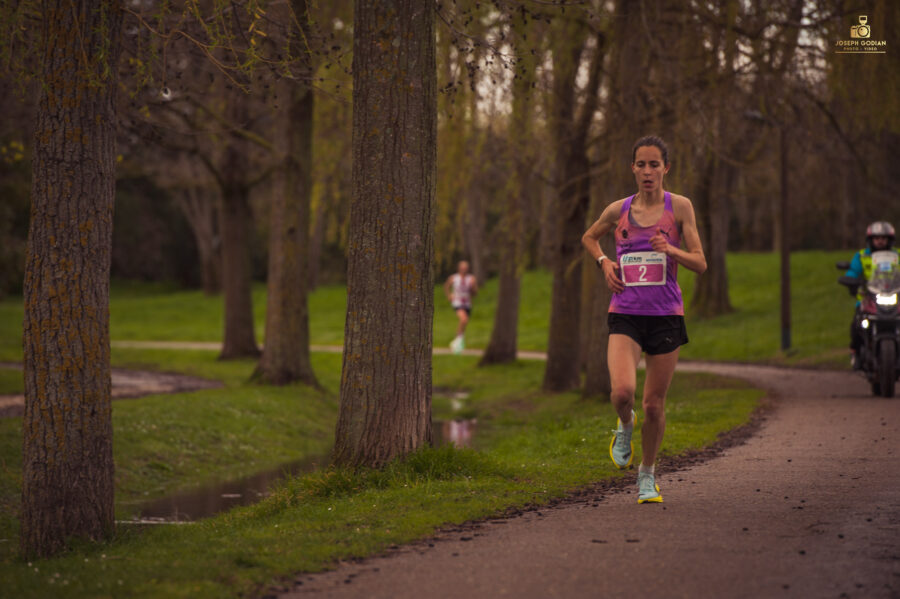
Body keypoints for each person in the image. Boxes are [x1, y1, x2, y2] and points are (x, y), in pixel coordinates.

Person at [581, 135, 707, 504]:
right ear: (633, 168)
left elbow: (700, 263)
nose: (648, 171)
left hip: (666, 315)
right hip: (626, 313)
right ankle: (624, 423)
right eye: (641, 164)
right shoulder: (618, 210)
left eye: (655, 164)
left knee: (654, 404)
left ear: (666, 168)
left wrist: (671, 249)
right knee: (622, 393)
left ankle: (647, 475)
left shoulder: (680, 207)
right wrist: (604, 262)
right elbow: (589, 237)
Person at [845, 221, 898, 369]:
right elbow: (852, 272)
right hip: (868, 299)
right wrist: (850, 280)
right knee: (857, 324)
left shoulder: (897, 256)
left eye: (883, 238)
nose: (880, 241)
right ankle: (855, 353)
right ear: (871, 240)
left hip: (895, 298)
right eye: (877, 238)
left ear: (889, 240)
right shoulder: (862, 256)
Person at [444, 261, 478, 355]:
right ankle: (458, 341)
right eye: (462, 268)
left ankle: (458, 342)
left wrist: (473, 286)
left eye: (466, 268)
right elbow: (446, 286)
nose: (464, 270)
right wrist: (449, 295)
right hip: (457, 302)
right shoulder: (454, 278)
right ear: (459, 268)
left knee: (464, 322)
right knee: (464, 319)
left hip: (467, 303)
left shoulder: (471, 279)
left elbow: (475, 293)